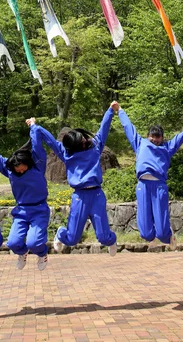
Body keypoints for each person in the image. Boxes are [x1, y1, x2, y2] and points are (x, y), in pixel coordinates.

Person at [114, 102, 183, 249]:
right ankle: (154, 236)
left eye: (158, 137)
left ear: (162, 138)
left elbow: (182, 136)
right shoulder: (140, 143)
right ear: (148, 136)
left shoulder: (167, 147)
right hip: (143, 185)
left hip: (159, 186)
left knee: (162, 234)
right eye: (153, 137)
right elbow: (128, 127)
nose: (155, 140)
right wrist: (120, 110)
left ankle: (168, 233)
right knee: (146, 234)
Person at [30, 105, 117, 255]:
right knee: (71, 239)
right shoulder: (67, 154)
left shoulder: (95, 147)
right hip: (79, 197)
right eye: (82, 141)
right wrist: (35, 126)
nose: (85, 141)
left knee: (104, 237)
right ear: (75, 146)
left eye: (84, 138)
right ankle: (60, 233)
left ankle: (112, 240)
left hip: (96, 195)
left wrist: (110, 111)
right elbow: (50, 140)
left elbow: (104, 128)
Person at [0, 122, 50, 271]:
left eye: (21, 168)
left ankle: (42, 253)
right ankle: (22, 252)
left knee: (34, 243)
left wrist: (33, 126)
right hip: (21, 211)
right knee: (13, 243)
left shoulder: (38, 165)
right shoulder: (11, 171)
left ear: (26, 162)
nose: (19, 171)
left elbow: (37, 145)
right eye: (16, 169)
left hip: (39, 209)